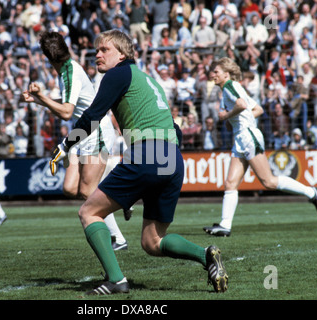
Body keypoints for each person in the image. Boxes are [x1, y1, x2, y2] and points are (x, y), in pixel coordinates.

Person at [48, 30, 228, 295]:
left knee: (89, 212)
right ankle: (206, 256)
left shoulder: (117, 74)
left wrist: (65, 145)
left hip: (148, 154)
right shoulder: (147, 79)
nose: (97, 54)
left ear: (122, 54)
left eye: (104, 49)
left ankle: (117, 280)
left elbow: (93, 116)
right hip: (172, 159)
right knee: (152, 242)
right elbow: (175, 129)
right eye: (96, 50)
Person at [21, 31, 128, 250]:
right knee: (70, 189)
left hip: (94, 129)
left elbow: (67, 112)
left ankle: (118, 238)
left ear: (47, 57)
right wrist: (38, 100)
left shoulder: (69, 72)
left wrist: (42, 97)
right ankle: (122, 198)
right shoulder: (67, 70)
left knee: (88, 192)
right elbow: (70, 103)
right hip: (81, 133)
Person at [203, 57, 317, 237]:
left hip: (248, 136)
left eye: (216, 72)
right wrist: (231, 118)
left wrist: (227, 115)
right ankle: (225, 225)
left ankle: (311, 192)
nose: (213, 75)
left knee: (268, 181)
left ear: (226, 74)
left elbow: (241, 105)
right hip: (241, 137)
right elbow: (257, 109)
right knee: (230, 183)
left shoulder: (230, 86)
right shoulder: (229, 89)